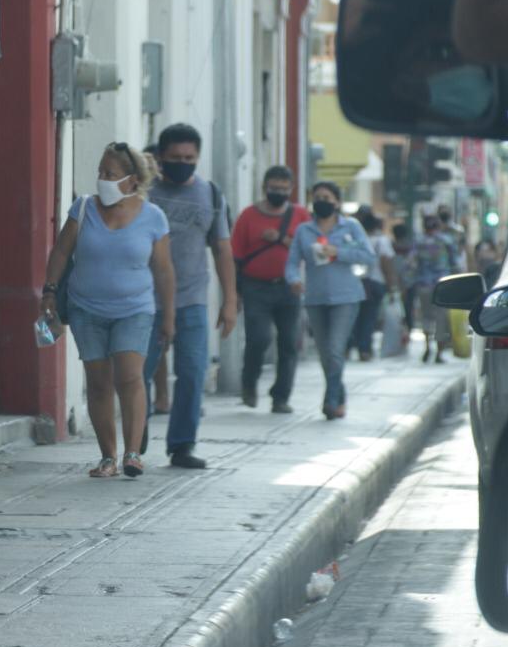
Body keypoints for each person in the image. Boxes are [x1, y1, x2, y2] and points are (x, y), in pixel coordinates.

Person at [40, 143, 175, 478]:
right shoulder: (83, 208)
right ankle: (107, 457)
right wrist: (50, 291)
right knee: (98, 383)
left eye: (110, 174)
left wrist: (169, 316)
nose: (102, 179)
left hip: (135, 309)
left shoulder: (153, 217)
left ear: (131, 181)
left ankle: (133, 453)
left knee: (129, 377)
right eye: (100, 172)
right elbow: (60, 252)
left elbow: (164, 271)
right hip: (87, 309)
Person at [143, 124, 238, 469]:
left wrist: (229, 301)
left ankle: (182, 444)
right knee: (138, 374)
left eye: (189, 158)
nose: (183, 163)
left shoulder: (210, 194)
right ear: (160, 158)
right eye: (175, 158)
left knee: (193, 372)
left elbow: (223, 250)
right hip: (145, 300)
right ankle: (134, 441)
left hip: (193, 299)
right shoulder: (144, 192)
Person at [284, 182, 374, 419]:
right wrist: (293, 279)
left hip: (346, 297)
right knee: (326, 353)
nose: (322, 201)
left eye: (327, 197)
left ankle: (330, 400)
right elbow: (292, 262)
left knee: (335, 349)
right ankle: (340, 395)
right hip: (315, 298)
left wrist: (338, 252)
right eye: (317, 197)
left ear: (337, 202)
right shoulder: (304, 231)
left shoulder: (351, 227)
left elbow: (368, 256)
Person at [230, 165, 310, 414]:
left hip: (289, 287)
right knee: (259, 338)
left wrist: (280, 239)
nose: (279, 192)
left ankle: (281, 397)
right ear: (264, 187)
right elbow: (235, 256)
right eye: (274, 188)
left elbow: (311, 249)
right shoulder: (248, 216)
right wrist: (234, 293)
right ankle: (249, 381)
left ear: (291, 190)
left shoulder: (300, 215)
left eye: (284, 189)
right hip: (256, 287)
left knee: (289, 343)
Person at [144, 143, 171, 416]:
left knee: (162, 346)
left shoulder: (161, 205)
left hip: (166, 285)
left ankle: (162, 395)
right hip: (141, 290)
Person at [349, 208, 396, 361]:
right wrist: (391, 285)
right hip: (375, 283)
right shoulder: (382, 240)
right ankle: (365, 349)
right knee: (369, 317)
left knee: (354, 316)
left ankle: (349, 346)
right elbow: (386, 263)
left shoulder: (354, 240)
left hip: (354, 283)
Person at [409, 215, 458, 363]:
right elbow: (455, 263)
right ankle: (439, 353)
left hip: (423, 284)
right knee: (441, 318)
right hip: (443, 285)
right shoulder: (446, 240)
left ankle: (427, 347)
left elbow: (411, 263)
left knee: (426, 317)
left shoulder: (418, 242)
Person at [392, 223, 418, 335]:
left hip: (397, 281)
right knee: (409, 305)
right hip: (411, 280)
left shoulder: (392, 247)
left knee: (400, 306)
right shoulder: (411, 246)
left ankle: (403, 328)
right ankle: (409, 326)